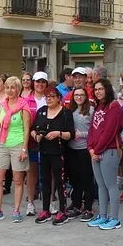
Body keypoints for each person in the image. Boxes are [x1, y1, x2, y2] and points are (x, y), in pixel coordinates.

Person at [0, 76, 31, 223]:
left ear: (18, 89)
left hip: (18, 144)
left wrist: (24, 149)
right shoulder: (2, 105)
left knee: (18, 180)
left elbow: (26, 129)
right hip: (2, 144)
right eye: (7, 87)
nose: (10, 90)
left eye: (13, 87)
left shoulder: (24, 106)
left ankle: (16, 210)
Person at [86, 78, 123, 230]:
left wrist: (96, 150)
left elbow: (109, 132)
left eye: (101, 89)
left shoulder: (114, 107)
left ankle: (114, 218)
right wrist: (90, 148)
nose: (98, 92)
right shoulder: (98, 106)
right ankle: (102, 216)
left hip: (109, 151)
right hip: (95, 152)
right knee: (101, 186)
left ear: (107, 89)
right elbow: (92, 130)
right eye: (95, 89)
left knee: (111, 185)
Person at [31, 86, 75, 225]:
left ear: (58, 98)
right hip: (43, 151)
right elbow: (33, 129)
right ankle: (45, 210)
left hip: (59, 152)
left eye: (52, 96)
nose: (49, 99)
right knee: (45, 181)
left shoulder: (66, 113)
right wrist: (35, 136)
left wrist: (58, 133)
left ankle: (63, 211)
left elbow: (71, 134)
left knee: (60, 181)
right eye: (47, 96)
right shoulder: (41, 111)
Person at [66, 88, 96, 220]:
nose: (79, 97)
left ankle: (88, 207)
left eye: (81, 95)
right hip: (71, 149)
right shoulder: (69, 110)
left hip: (85, 149)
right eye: (76, 95)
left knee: (86, 179)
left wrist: (82, 134)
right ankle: (76, 205)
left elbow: (95, 131)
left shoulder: (91, 110)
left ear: (86, 96)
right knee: (75, 179)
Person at [24, 71, 49, 216]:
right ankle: (30, 203)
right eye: (37, 82)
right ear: (33, 83)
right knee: (31, 173)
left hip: (48, 141)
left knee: (48, 173)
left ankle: (50, 202)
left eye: (43, 82)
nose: (40, 84)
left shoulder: (51, 98)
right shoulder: (26, 100)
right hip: (32, 142)